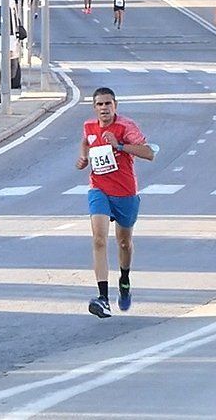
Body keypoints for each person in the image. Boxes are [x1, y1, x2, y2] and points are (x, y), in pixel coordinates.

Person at [76, 87, 155, 319]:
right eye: (99, 105)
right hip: (99, 189)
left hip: (125, 192)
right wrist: (83, 158)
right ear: (94, 108)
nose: (104, 108)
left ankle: (125, 279)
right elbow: (86, 142)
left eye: (108, 104)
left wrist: (119, 146)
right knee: (99, 239)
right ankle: (103, 298)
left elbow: (149, 153)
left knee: (124, 243)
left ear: (115, 106)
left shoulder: (125, 127)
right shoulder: (89, 126)